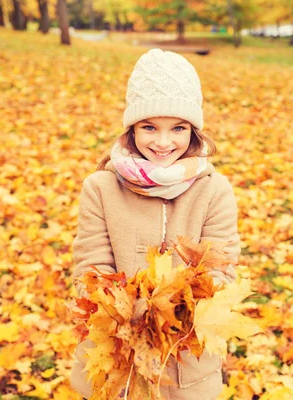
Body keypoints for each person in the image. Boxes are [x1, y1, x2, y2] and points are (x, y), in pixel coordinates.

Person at [69, 48, 241, 400]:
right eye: (150, 127)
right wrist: (124, 311)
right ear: (132, 128)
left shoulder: (214, 190)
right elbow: (90, 266)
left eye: (177, 128)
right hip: (117, 357)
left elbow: (221, 268)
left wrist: (172, 311)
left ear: (193, 131)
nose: (163, 143)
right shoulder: (101, 188)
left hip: (185, 359)